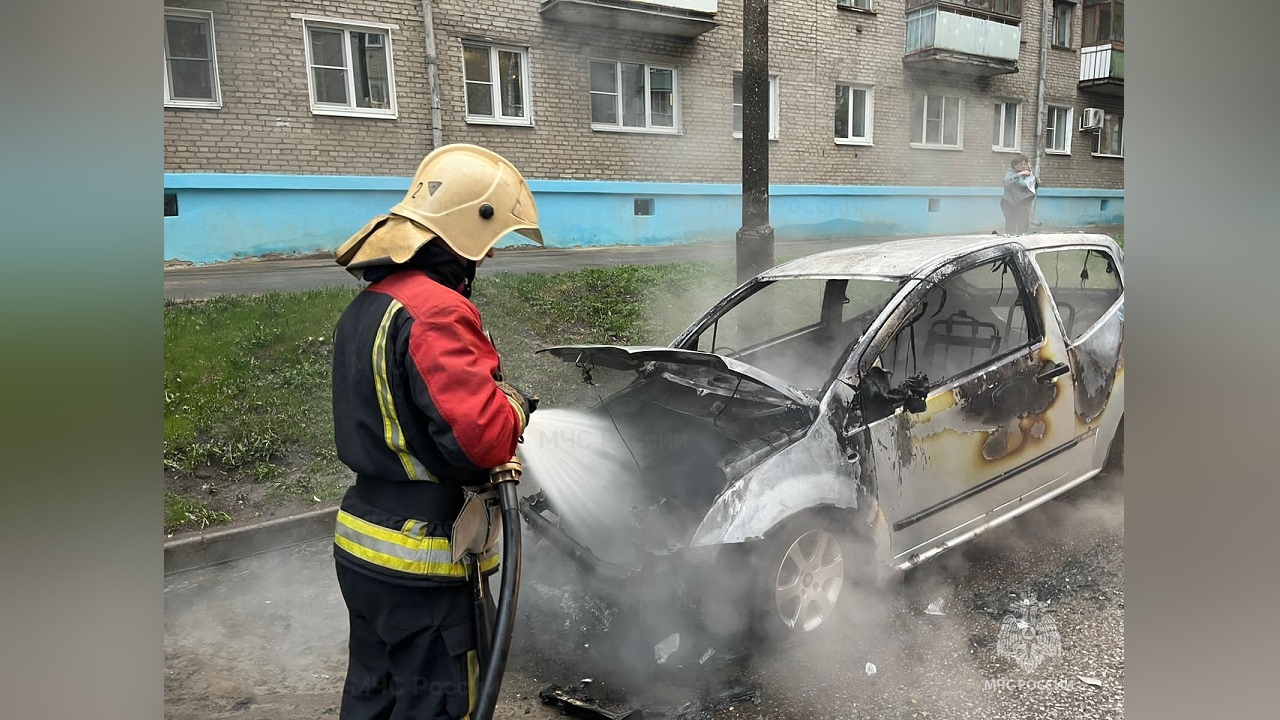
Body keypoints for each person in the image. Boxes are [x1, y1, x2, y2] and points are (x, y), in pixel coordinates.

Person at [328, 143, 543, 720]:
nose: (491, 256)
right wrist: (516, 407)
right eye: (492, 240)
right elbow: (481, 439)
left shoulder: (370, 306)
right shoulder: (437, 311)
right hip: (422, 562)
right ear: (467, 230)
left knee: (373, 699)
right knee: (440, 708)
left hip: (364, 546)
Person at [1001, 153, 1038, 234]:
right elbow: (1007, 181)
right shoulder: (1011, 174)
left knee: (1024, 224)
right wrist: (1021, 174)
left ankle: (1023, 240)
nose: (1023, 166)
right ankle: (1010, 241)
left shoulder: (1028, 175)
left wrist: (1032, 177)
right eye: (1021, 164)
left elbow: (1034, 186)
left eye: (1025, 164)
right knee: (1011, 224)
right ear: (1014, 166)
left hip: (1022, 203)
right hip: (1009, 203)